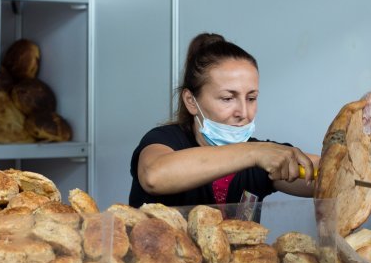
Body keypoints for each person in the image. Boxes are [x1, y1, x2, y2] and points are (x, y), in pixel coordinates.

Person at [129, 33, 319, 211]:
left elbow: (331, 175)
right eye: (228, 98)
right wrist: (254, 153)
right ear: (191, 101)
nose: (243, 113)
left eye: (251, 98)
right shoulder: (165, 139)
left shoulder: (264, 156)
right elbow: (154, 176)